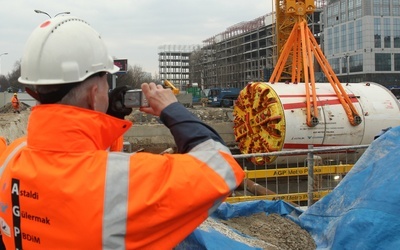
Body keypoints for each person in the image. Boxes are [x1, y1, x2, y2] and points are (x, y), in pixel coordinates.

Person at [0, 16, 244, 249]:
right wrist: (173, 110)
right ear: (94, 94)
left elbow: (78, 161)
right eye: (107, 81)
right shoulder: (124, 182)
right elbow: (222, 167)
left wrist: (108, 118)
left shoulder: (12, 157)